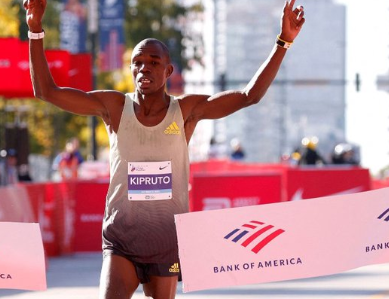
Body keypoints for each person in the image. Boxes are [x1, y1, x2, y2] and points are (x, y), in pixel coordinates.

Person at [23, 0, 305, 297]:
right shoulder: (115, 107)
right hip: (121, 239)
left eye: (154, 62)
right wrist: (35, 31)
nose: (145, 68)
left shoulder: (186, 111)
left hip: (165, 241)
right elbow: (46, 92)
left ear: (168, 69)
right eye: (138, 62)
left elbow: (249, 96)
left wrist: (283, 42)